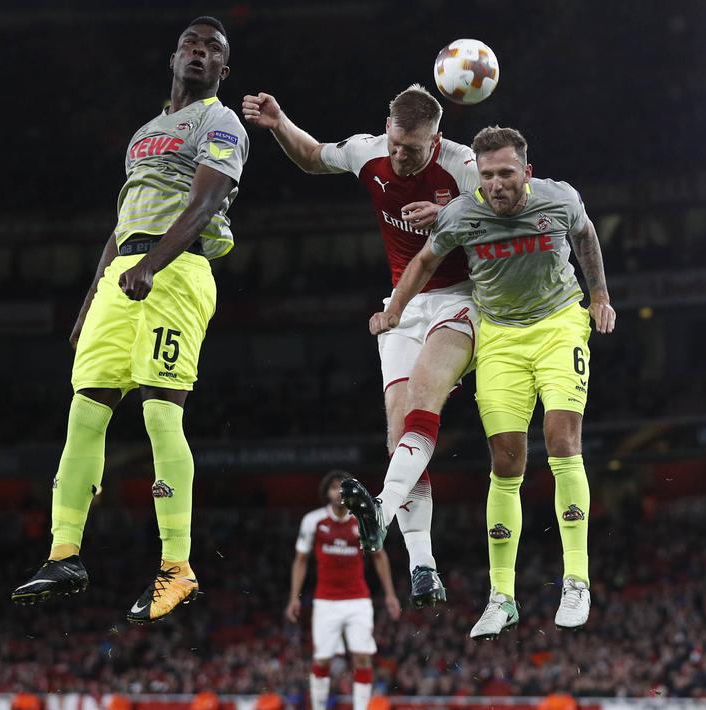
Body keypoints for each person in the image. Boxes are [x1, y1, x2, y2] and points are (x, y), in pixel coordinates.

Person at [10, 16, 249, 623]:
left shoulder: (220, 121)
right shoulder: (144, 132)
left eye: (212, 50)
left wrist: (154, 265)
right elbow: (123, 221)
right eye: (191, 45)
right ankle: (64, 553)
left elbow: (206, 201)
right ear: (174, 57)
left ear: (224, 69)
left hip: (178, 270)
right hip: (125, 274)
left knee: (160, 406)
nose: (199, 53)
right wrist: (92, 297)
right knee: (85, 408)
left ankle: (178, 567)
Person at [369, 125, 615, 639]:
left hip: (557, 324)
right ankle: (501, 597)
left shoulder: (559, 198)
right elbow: (425, 261)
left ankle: (576, 580)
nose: (497, 184)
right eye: (486, 176)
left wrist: (599, 297)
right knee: (505, 459)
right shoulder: (463, 213)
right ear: (476, 179)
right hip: (499, 335)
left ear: (526, 171)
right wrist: (394, 310)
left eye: (506, 173)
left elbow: (587, 236)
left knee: (561, 439)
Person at [241, 84, 480, 607]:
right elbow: (312, 157)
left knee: (422, 394)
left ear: (435, 139)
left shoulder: (463, 166)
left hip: (461, 299)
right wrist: (280, 123)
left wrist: (453, 215)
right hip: (402, 304)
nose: (399, 156)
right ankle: (424, 568)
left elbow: (510, 209)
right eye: (395, 143)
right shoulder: (370, 152)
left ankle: (380, 510)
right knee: (399, 433)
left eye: (411, 149)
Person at [287, 472, 400, 710]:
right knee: (322, 659)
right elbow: (300, 560)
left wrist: (390, 595)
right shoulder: (313, 521)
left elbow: (379, 556)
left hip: (358, 600)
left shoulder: (362, 520)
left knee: (362, 657)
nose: (338, 492)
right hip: (325, 601)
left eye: (343, 487)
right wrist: (293, 598)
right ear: (326, 492)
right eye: (334, 487)